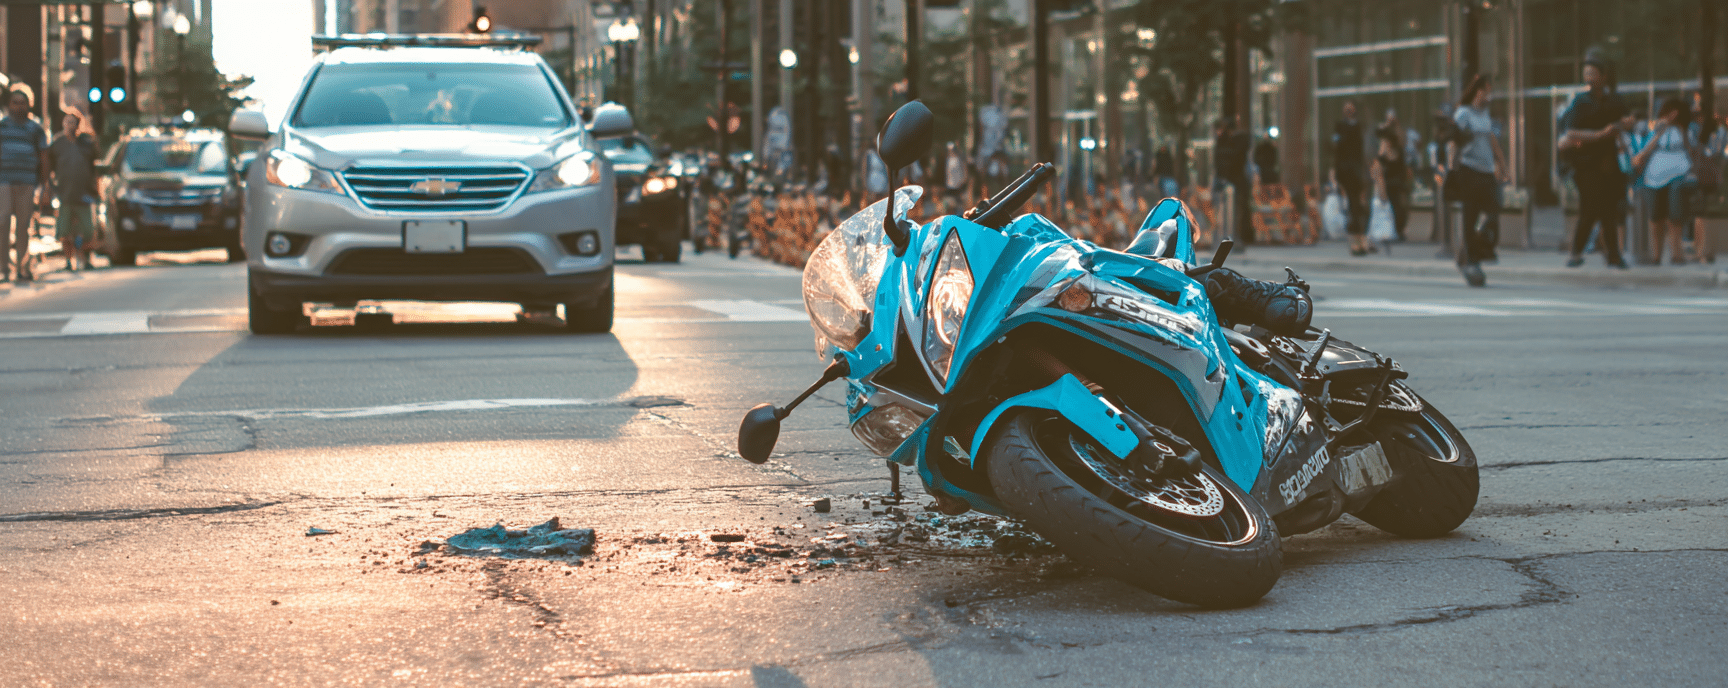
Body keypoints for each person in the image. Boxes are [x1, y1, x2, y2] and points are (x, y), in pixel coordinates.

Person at [1558, 52, 1629, 268]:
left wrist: (1625, 124)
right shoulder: (1580, 101)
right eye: (1586, 71)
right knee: (1589, 209)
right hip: (1586, 165)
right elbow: (1570, 133)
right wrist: (1599, 135)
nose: (1588, 74)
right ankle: (1577, 251)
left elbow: (1627, 119)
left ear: (1604, 75)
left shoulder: (1613, 100)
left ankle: (1613, 256)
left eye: (1593, 71)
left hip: (1609, 165)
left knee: (1609, 211)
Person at [1448, 75, 1508, 283]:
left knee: (1493, 214)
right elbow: (1453, 140)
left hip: (1486, 171)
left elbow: (1491, 138)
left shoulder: (1485, 114)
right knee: (1470, 217)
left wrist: (1502, 163)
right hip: (1469, 170)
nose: (1489, 95)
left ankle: (1474, 252)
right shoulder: (1463, 113)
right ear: (1478, 91)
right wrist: (1451, 168)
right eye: (1487, 90)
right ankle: (1471, 261)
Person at [1632, 98, 1695, 265]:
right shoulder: (1657, 128)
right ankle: (1656, 255)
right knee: (1656, 217)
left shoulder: (1685, 130)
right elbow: (1648, 148)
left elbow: (1690, 148)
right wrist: (1661, 129)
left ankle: (1677, 254)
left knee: (1675, 217)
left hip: (1678, 174)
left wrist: (1680, 128)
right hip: (1654, 177)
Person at [0, 88, 50, 282]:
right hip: (3, 181)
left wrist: (45, 185)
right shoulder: (2, 126)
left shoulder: (36, 129)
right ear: (9, 105)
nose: (19, 106)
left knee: (23, 226)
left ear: (29, 105)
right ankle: (3, 268)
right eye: (15, 102)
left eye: (23, 102)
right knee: (2, 223)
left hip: (27, 182)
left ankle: (23, 268)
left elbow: (44, 156)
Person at [47, 110, 97, 271]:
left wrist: (96, 189)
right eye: (67, 122)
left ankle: (85, 259)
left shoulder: (87, 144)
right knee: (64, 231)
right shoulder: (57, 144)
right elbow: (49, 166)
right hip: (64, 194)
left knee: (87, 231)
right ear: (63, 124)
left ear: (78, 125)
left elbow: (95, 168)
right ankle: (68, 261)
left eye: (73, 122)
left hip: (84, 194)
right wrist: (49, 188)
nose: (70, 126)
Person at [1331, 101, 1369, 255]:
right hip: (1345, 172)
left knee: (1356, 207)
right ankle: (1354, 241)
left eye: (1351, 109)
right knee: (1350, 208)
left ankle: (1359, 240)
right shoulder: (1340, 127)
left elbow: (1359, 149)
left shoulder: (1357, 126)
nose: (1349, 111)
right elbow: (1337, 149)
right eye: (1346, 109)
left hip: (1355, 171)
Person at [1377, 110, 1413, 241]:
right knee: (1390, 207)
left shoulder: (1399, 148)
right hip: (1388, 182)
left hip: (1398, 182)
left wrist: (1395, 125)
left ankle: (1399, 229)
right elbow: (1380, 159)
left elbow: (1401, 139)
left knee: (1400, 207)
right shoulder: (1384, 149)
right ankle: (1392, 230)